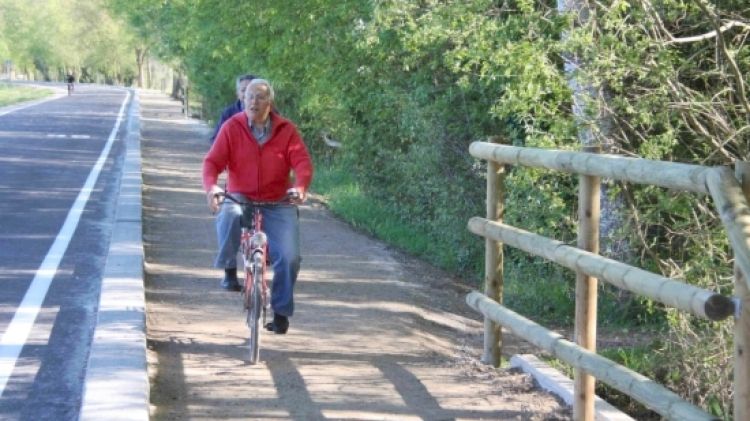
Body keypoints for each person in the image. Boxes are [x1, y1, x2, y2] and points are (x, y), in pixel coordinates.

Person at [203, 78, 313, 334]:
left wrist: (300, 187)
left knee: (289, 257)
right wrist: (213, 187)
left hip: (278, 201)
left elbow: (302, 163)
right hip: (241, 195)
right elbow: (212, 162)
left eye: (260, 97)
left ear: (270, 102)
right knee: (229, 212)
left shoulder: (287, 130)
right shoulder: (232, 127)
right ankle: (229, 266)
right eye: (250, 96)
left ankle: (281, 312)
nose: (253, 101)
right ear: (242, 99)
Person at [209, 74, 256, 144]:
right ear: (237, 93)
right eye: (243, 90)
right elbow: (216, 140)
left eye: (251, 90)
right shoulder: (228, 113)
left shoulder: (270, 113)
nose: (247, 94)